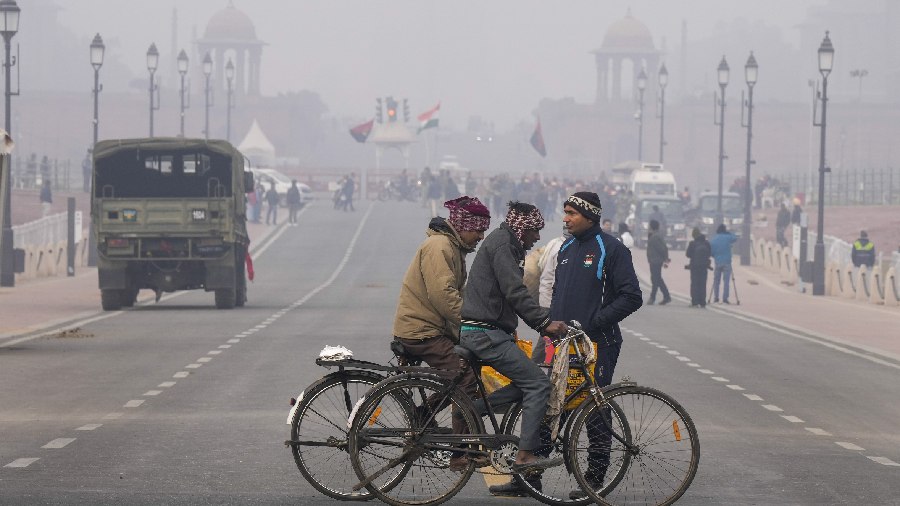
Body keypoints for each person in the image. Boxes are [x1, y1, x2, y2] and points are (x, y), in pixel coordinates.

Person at [459, 201, 567, 485]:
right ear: (524, 228)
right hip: (484, 333)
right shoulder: (503, 245)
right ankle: (525, 456)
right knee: (538, 384)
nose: (538, 237)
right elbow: (514, 291)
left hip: (489, 330)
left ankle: (472, 408)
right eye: (535, 231)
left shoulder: (508, 243)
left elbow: (515, 295)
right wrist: (544, 324)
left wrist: (544, 318)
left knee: (528, 381)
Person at [548, 191, 643, 500]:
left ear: (589, 216)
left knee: (594, 410)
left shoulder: (611, 249)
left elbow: (631, 296)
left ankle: (595, 478)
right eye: (564, 212)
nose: (565, 219)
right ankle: (530, 472)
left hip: (598, 344)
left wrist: (591, 323)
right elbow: (558, 293)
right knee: (552, 406)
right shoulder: (566, 247)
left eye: (572, 214)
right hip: (563, 344)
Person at [392, 196, 491, 471]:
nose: (480, 237)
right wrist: (471, 324)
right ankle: (460, 452)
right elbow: (444, 296)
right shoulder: (440, 246)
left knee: (465, 368)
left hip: (433, 327)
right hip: (421, 331)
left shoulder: (452, 246)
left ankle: (428, 412)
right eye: (478, 230)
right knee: (465, 376)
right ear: (463, 225)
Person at [710, 223, 738, 304]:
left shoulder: (714, 239)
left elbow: (711, 252)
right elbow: (735, 238)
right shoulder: (728, 237)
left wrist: (715, 256)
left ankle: (716, 298)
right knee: (726, 281)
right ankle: (725, 298)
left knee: (716, 281)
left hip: (718, 262)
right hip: (727, 262)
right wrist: (729, 232)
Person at [646, 219, 671, 305]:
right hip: (654, 260)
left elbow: (662, 249)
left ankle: (652, 297)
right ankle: (666, 296)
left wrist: (666, 259)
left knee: (655, 279)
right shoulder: (655, 236)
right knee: (658, 279)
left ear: (651, 226)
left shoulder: (655, 237)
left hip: (655, 261)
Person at [685, 227, 712, 308]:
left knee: (695, 284)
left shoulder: (692, 243)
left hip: (694, 266)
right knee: (703, 284)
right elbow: (709, 254)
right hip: (704, 266)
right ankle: (702, 302)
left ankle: (694, 302)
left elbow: (688, 254)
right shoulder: (706, 243)